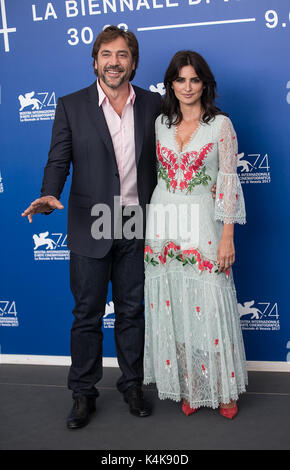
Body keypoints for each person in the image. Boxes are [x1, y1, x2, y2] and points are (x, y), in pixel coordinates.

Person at [21, 26, 162, 429]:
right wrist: (50, 194)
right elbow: (58, 160)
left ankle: (132, 384)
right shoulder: (71, 105)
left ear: (133, 62)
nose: (113, 62)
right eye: (106, 54)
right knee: (87, 313)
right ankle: (83, 392)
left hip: (137, 220)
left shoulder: (153, 104)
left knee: (132, 312)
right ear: (95, 60)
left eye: (121, 55)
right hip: (91, 222)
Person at [143, 50, 248, 419]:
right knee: (175, 303)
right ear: (170, 84)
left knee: (210, 304)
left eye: (194, 79)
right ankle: (190, 385)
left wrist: (227, 236)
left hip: (204, 222)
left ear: (205, 83)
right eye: (180, 79)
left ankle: (222, 389)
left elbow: (227, 184)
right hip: (163, 221)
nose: (187, 87)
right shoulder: (159, 123)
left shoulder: (221, 125)